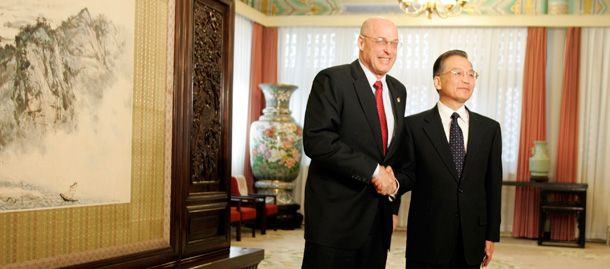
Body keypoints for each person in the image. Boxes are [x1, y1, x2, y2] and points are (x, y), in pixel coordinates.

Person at [301, 17, 406, 268]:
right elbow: (318, 141)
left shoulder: (398, 90)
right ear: (361, 42)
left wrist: (392, 206)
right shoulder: (333, 80)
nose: (388, 50)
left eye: (394, 43)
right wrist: (373, 171)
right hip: (336, 221)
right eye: (380, 41)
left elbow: (393, 155)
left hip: (377, 221)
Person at [395, 50, 502, 268]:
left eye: (471, 74)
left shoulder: (489, 129)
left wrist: (490, 235)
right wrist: (391, 212)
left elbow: (492, 185)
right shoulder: (413, 127)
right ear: (437, 81)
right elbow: (402, 175)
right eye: (457, 72)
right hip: (427, 238)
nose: (466, 79)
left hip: (471, 238)